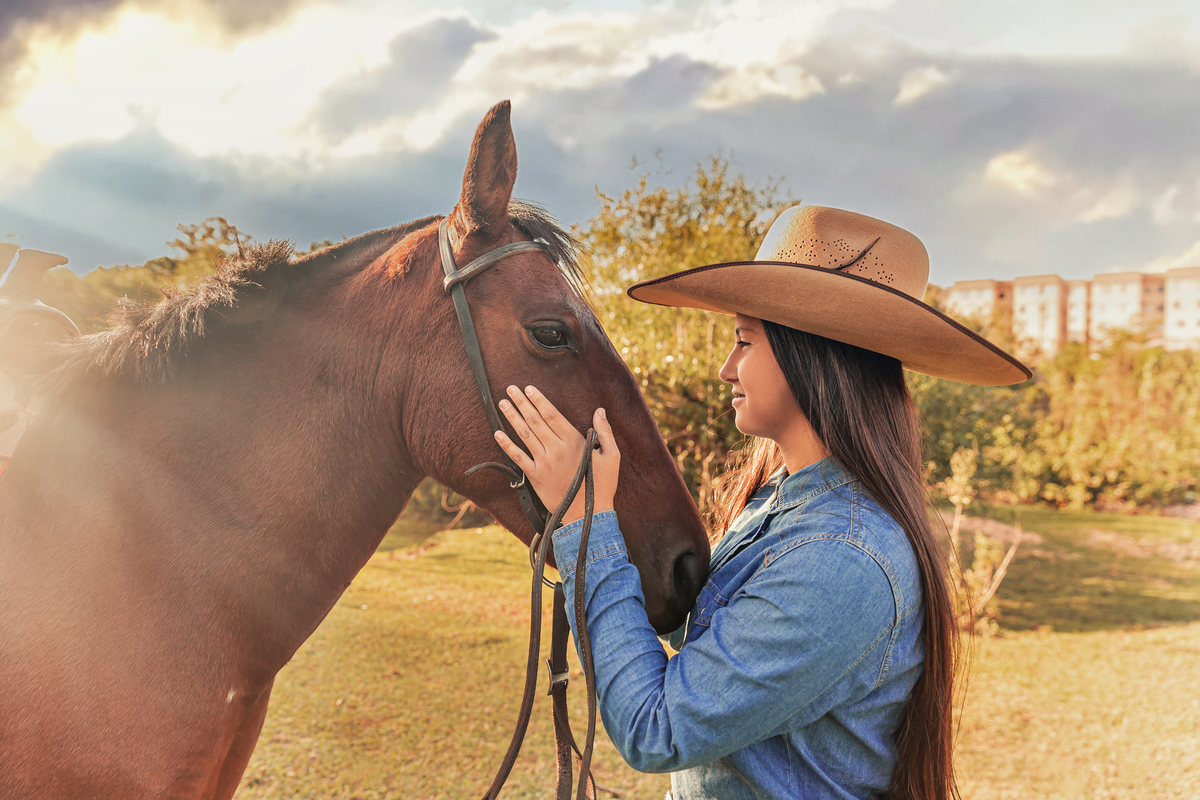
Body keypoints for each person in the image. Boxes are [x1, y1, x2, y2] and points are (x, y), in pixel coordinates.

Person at [493, 205, 1030, 800]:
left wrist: (586, 526)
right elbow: (714, 665)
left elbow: (658, 727)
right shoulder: (783, 502)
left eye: (744, 341)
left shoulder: (839, 559)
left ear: (811, 354)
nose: (727, 369)